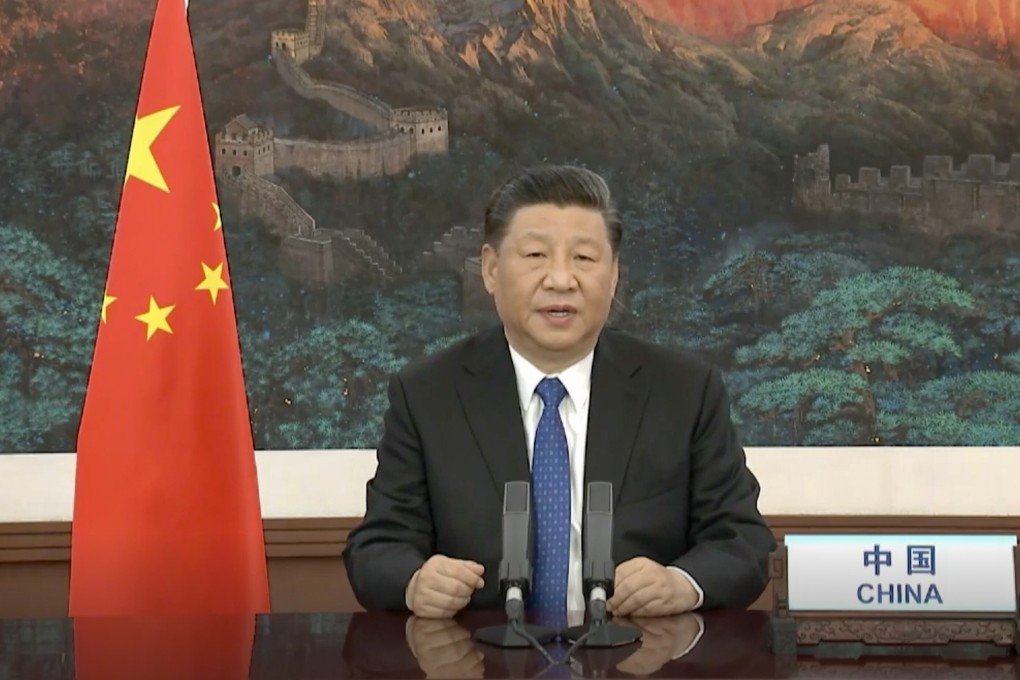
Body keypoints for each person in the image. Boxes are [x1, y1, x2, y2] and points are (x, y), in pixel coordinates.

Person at [343, 165, 775, 619]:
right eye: (535, 256)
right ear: (491, 269)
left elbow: (743, 540)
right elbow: (377, 548)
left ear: (613, 276)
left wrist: (681, 584)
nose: (561, 280)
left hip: (636, 659)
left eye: (584, 259)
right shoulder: (427, 394)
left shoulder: (684, 391)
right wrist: (415, 582)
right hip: (484, 661)